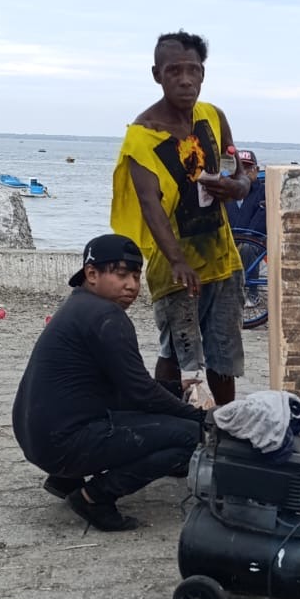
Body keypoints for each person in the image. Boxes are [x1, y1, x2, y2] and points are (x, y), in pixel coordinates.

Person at [12, 234, 207, 532]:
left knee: (158, 416)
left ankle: (65, 479)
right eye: (121, 275)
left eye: (136, 276)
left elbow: (125, 386)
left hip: (36, 438)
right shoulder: (106, 317)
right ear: (92, 274)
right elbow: (141, 393)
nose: (132, 285)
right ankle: (94, 497)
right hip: (61, 445)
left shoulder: (78, 305)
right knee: (190, 436)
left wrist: (175, 389)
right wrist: (201, 418)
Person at [111, 31, 256, 409]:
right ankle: (168, 420)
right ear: (157, 74)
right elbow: (150, 204)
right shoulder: (142, 136)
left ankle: (224, 424)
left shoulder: (213, 117)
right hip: (175, 266)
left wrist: (237, 187)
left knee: (224, 356)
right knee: (179, 354)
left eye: (193, 70)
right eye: (174, 71)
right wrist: (177, 260)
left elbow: (239, 171)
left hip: (222, 259)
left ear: (203, 74)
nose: (185, 80)